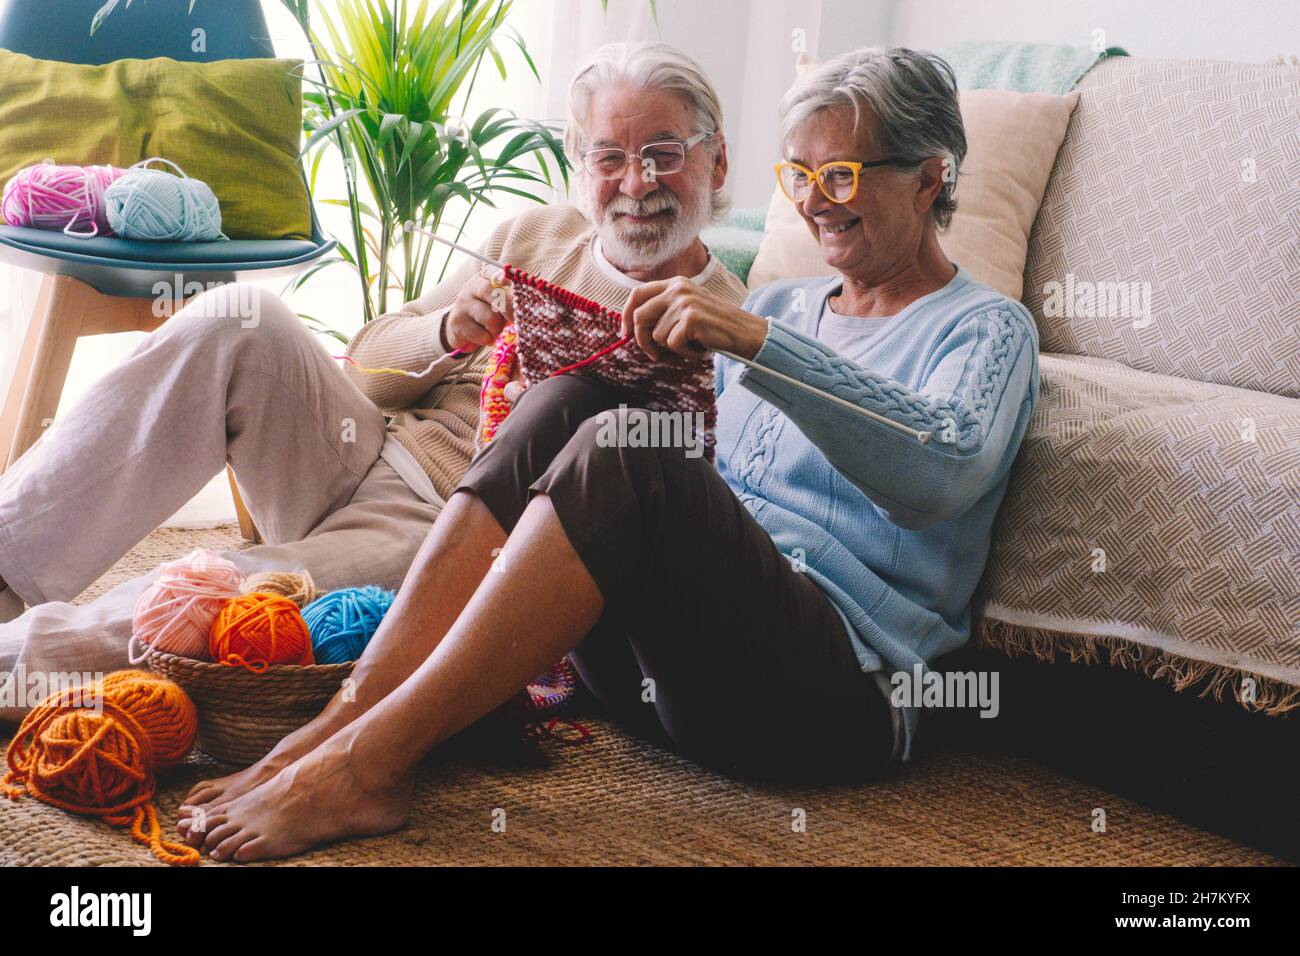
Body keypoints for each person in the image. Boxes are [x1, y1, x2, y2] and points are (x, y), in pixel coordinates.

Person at [176, 46, 1041, 864]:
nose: (818, 199)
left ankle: (369, 768)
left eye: (843, 173)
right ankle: (342, 720)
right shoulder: (791, 301)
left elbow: (939, 473)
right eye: (803, 175)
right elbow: (715, 484)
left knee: (626, 447)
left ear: (933, 177)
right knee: (573, 400)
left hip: (830, 704)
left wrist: (759, 347)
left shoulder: (986, 328)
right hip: (668, 679)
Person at [0, 39, 744, 720]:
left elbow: (693, 520)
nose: (636, 181)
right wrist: (448, 331)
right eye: (609, 156)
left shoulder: (733, 328)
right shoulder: (532, 236)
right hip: (363, 449)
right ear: (582, 169)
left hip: (453, 534)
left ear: (716, 164)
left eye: (663, 151)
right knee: (238, 315)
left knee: (231, 588)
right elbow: (366, 370)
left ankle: (16, 666)